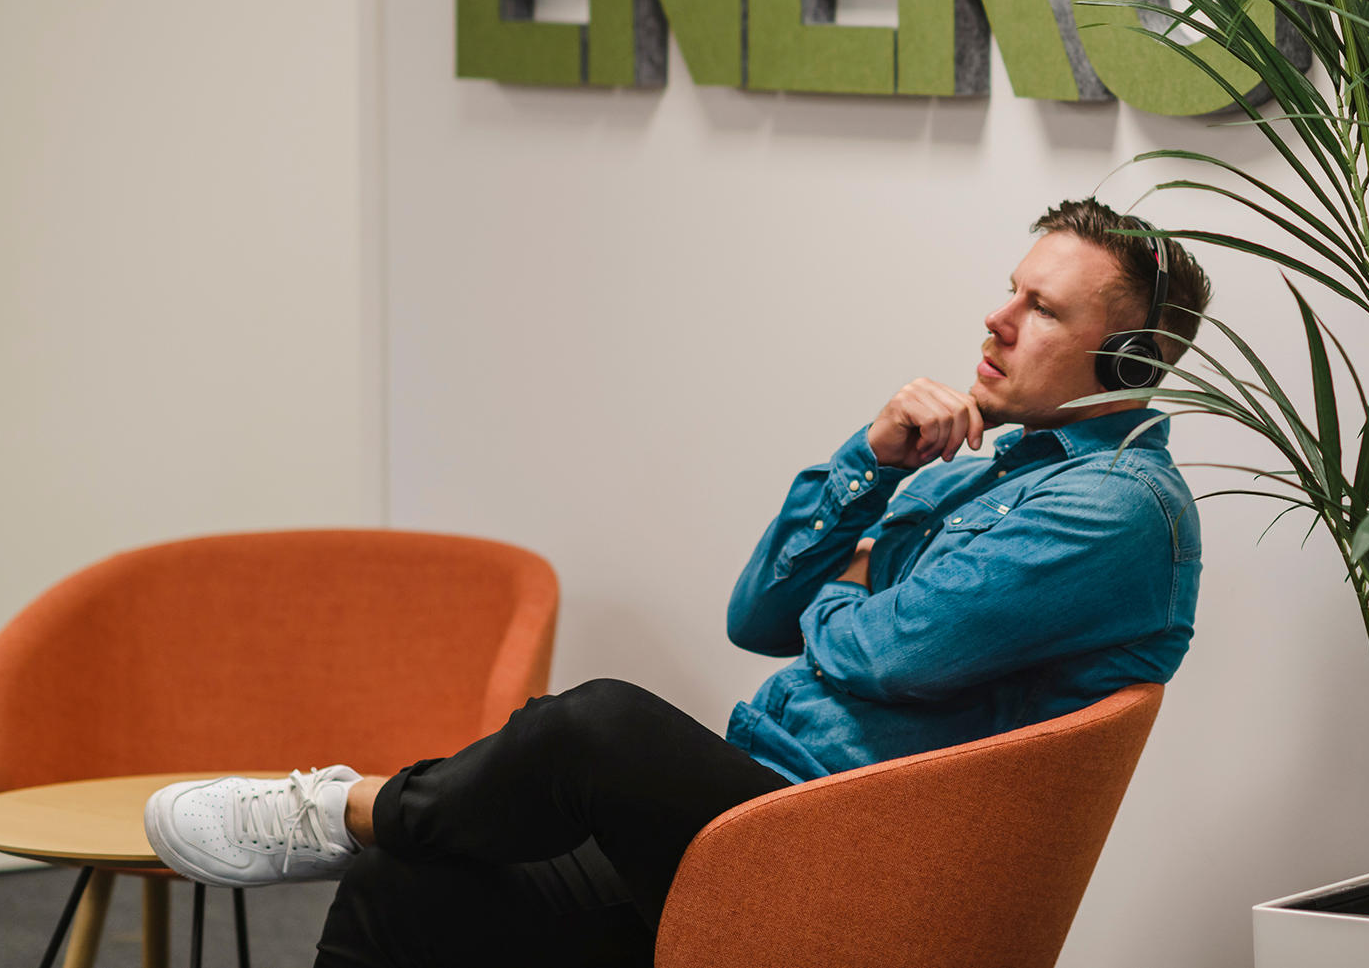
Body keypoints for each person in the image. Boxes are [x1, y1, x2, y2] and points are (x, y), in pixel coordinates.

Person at [142, 199, 1210, 968]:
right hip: (756, 812)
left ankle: (345, 805)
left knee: (598, 721)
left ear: (1128, 357)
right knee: (409, 886)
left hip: (847, 856)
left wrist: (851, 581)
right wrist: (873, 460)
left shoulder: (1116, 510)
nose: (996, 319)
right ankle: (370, 829)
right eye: (1009, 289)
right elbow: (759, 617)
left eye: (1042, 308)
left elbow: (872, 649)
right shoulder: (987, 463)